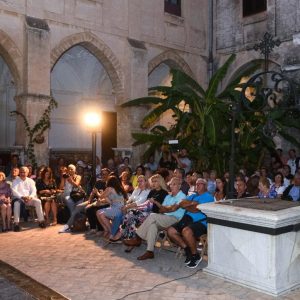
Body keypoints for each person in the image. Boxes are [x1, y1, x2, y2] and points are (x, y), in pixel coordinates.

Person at [123, 177, 186, 260]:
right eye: (170, 184)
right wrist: (167, 208)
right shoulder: (168, 196)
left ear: (179, 185)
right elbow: (161, 209)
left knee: (152, 215)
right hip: (164, 216)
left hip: (174, 219)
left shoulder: (182, 196)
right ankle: (150, 252)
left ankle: (137, 238)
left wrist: (166, 208)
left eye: (174, 184)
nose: (171, 186)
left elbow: (172, 209)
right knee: (153, 225)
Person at [167, 178, 214, 268]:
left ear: (205, 186)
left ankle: (195, 255)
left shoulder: (208, 196)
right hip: (186, 219)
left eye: (200, 184)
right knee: (170, 231)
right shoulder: (193, 196)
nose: (197, 185)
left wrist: (188, 205)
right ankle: (187, 249)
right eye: (196, 184)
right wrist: (192, 203)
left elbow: (196, 210)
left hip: (201, 223)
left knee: (186, 231)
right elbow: (181, 203)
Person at [120, 174, 169, 245]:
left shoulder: (164, 193)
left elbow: (163, 208)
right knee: (131, 215)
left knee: (132, 215)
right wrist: (139, 207)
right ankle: (130, 237)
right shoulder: (152, 191)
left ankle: (131, 238)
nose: (153, 183)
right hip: (147, 211)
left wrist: (155, 202)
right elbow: (146, 203)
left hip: (155, 214)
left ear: (160, 182)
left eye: (155, 181)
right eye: (153, 182)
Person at [109, 175, 150, 242]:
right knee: (119, 214)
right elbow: (130, 199)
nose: (139, 183)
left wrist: (126, 206)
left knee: (123, 215)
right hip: (131, 208)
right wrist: (125, 204)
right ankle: (116, 234)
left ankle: (119, 234)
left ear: (146, 182)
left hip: (139, 209)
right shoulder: (137, 189)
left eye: (141, 181)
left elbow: (139, 202)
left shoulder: (147, 191)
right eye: (138, 181)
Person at [11, 166, 46, 231]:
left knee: (38, 201)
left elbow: (34, 190)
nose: (22, 174)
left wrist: (30, 197)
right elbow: (14, 191)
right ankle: (16, 224)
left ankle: (41, 221)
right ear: (19, 173)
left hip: (29, 198)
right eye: (21, 172)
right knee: (16, 204)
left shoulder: (31, 181)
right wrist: (22, 197)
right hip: (20, 198)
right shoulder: (15, 181)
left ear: (27, 173)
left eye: (24, 172)